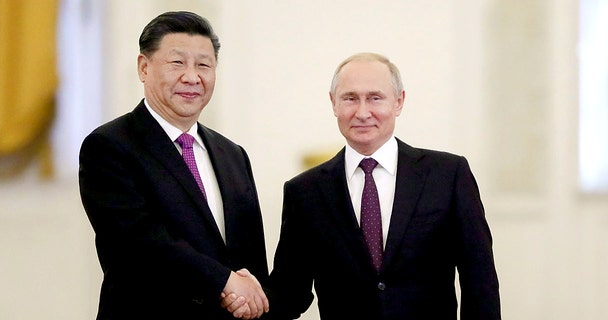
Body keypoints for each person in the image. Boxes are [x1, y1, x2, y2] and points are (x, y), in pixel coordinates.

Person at [265, 52, 501, 319]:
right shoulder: (304, 192)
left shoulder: (448, 175)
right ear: (333, 103)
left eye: (375, 98)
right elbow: (290, 292)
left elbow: (479, 280)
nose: (362, 112)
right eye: (350, 98)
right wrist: (243, 295)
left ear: (399, 102)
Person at [79, 11, 269, 319]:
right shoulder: (109, 146)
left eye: (204, 65)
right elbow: (138, 244)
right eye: (177, 63)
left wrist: (252, 298)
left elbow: (251, 258)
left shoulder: (232, 154)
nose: (192, 77)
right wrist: (225, 281)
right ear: (144, 67)